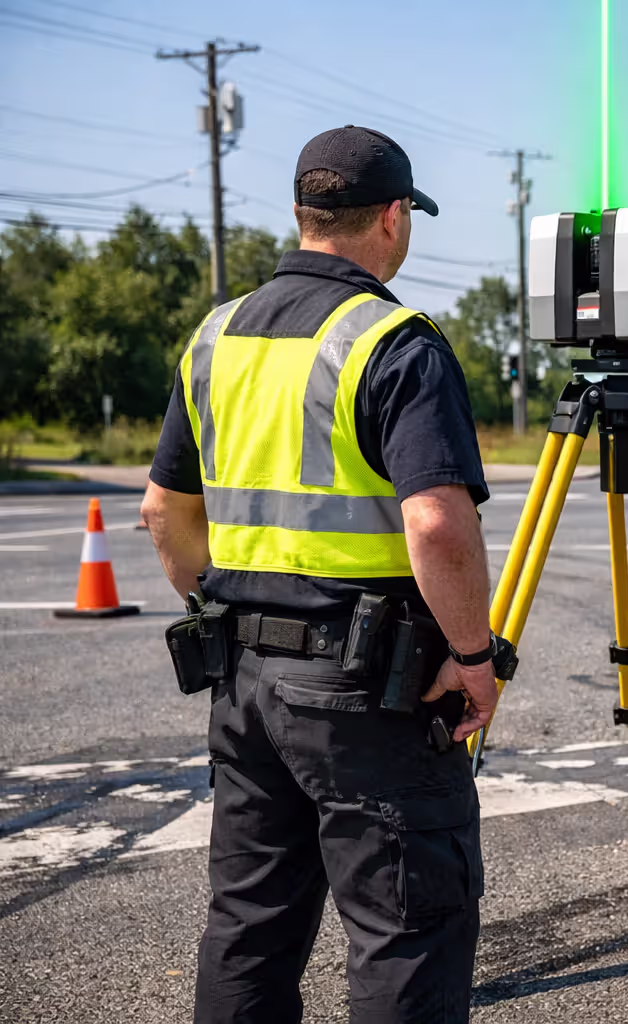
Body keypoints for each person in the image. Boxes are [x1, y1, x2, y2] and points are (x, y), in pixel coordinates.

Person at [141, 125, 497, 1024]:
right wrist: (473, 653)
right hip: (368, 696)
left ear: (304, 214)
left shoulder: (216, 338)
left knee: (250, 926)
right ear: (391, 216)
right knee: (404, 929)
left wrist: (230, 614)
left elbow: (161, 512)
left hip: (245, 685)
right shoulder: (394, 340)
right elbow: (437, 525)